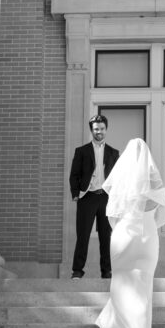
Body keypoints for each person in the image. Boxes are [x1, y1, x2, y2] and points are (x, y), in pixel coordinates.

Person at [95, 138, 165, 328]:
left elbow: (112, 218)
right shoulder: (155, 186)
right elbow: (162, 216)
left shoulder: (121, 185)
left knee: (122, 285)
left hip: (124, 236)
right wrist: (146, 225)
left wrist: (126, 228)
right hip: (147, 238)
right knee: (143, 290)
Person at [69, 113, 119, 278]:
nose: (100, 132)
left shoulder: (113, 153)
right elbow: (74, 174)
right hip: (87, 197)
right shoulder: (81, 151)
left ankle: (107, 271)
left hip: (106, 198)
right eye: (96, 129)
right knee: (82, 236)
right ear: (92, 130)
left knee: (106, 237)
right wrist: (76, 194)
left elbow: (117, 177)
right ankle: (77, 271)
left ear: (106, 130)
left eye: (102, 129)